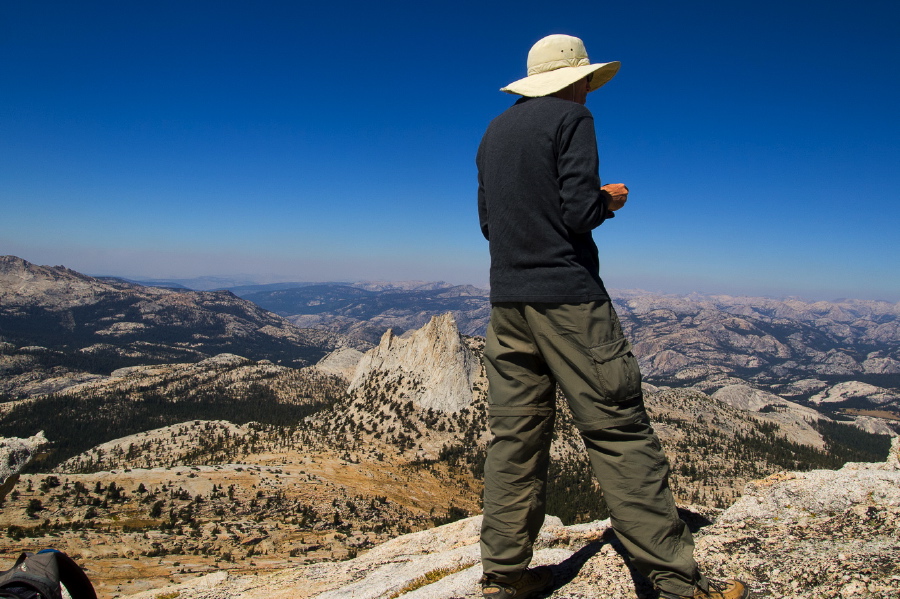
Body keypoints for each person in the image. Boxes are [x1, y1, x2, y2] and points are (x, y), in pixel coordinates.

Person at [475, 34, 748, 599]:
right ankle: (675, 582)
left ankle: (503, 578)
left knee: (515, 438)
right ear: (577, 79)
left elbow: (488, 223)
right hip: (571, 302)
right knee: (619, 431)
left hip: (507, 303)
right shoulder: (574, 120)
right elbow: (578, 212)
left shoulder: (494, 132)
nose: (587, 90)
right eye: (587, 81)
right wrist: (610, 200)